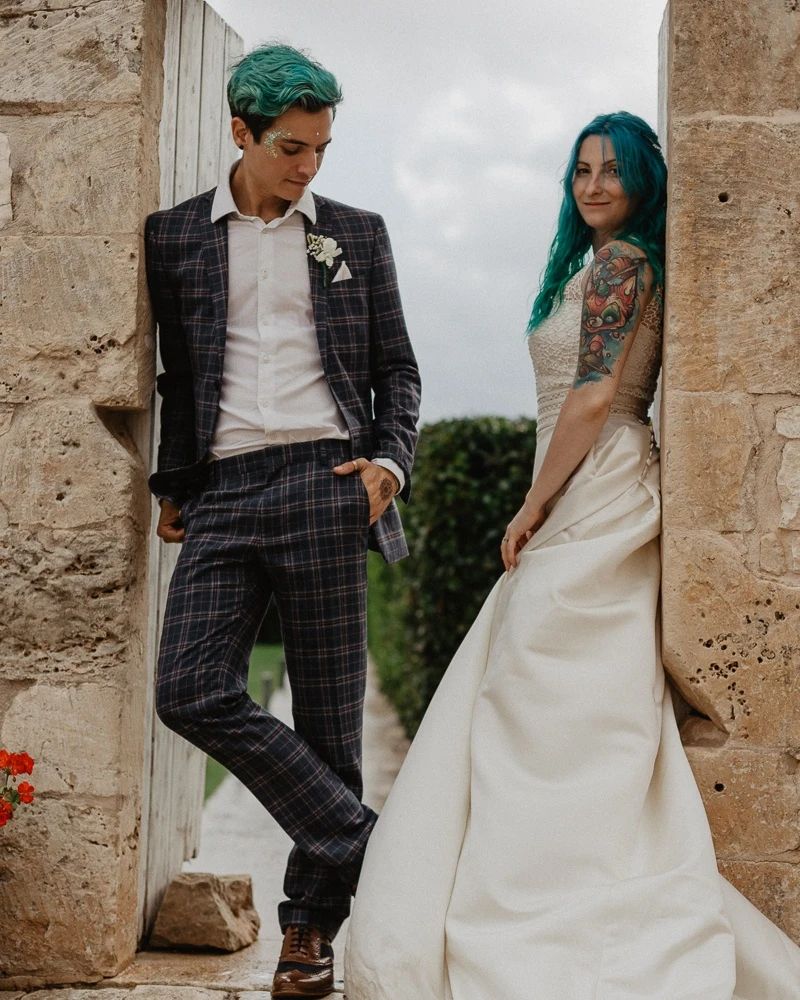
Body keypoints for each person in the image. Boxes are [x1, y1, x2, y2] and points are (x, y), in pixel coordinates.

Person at [344, 112, 800, 999]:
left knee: (546, 695)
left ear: (642, 183)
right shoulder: (597, 266)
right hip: (591, 474)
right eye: (582, 169)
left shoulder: (624, 266)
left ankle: (552, 907)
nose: (594, 184)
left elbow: (591, 403)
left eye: (613, 170)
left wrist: (533, 502)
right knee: (551, 698)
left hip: (596, 481)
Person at [144, 44, 420, 1000]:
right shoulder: (174, 238)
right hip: (224, 492)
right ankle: (361, 839)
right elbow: (178, 375)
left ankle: (307, 936)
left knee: (333, 724)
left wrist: (386, 467)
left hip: (324, 480)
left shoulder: (358, 233)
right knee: (186, 687)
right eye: (293, 148)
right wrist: (176, 482)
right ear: (240, 133)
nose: (309, 167)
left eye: (321, 149)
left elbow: (400, 371)